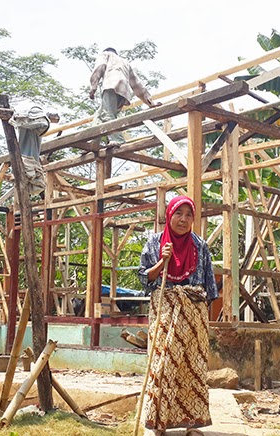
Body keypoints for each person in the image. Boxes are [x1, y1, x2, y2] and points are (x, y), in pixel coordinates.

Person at [138, 195, 218, 435]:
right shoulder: (154, 243)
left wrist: (205, 321)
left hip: (194, 314)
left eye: (188, 215)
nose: (183, 219)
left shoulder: (200, 246)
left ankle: (192, 422)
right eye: (178, 214)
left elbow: (209, 286)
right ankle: (159, 421)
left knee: (193, 366)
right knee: (162, 364)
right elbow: (144, 277)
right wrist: (163, 261)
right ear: (169, 215)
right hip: (165, 307)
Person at [89, 47, 161, 146]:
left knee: (107, 114)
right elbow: (137, 84)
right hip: (123, 92)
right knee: (99, 116)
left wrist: (93, 87)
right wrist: (150, 103)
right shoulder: (125, 63)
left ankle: (118, 140)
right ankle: (93, 141)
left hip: (111, 85)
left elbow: (99, 67)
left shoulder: (105, 54)